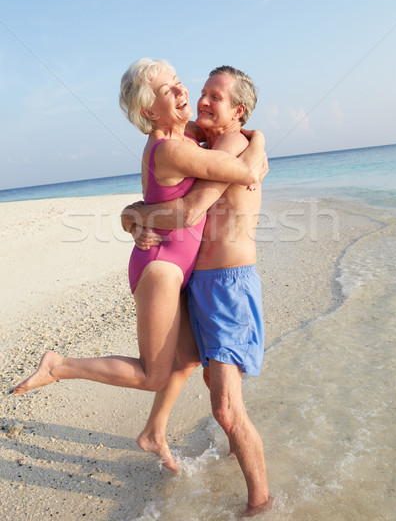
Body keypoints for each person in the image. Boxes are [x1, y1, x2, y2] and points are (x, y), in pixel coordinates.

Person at [13, 59, 266, 475]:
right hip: (163, 266)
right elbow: (239, 173)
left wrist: (133, 216)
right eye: (171, 91)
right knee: (153, 374)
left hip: (176, 266)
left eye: (181, 84)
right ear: (149, 110)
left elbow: (156, 198)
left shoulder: (185, 137)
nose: (186, 94)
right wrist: (258, 140)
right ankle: (59, 366)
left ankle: (154, 432)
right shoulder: (173, 147)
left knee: (185, 360)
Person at [121, 65, 273, 516]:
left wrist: (136, 214)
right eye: (202, 92)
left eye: (216, 97)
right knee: (206, 376)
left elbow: (186, 211)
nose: (203, 101)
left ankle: (261, 504)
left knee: (225, 406)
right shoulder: (204, 143)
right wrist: (132, 216)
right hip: (200, 285)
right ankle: (231, 459)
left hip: (228, 287)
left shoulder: (231, 147)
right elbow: (165, 181)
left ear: (238, 111)